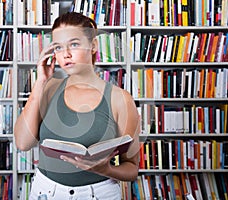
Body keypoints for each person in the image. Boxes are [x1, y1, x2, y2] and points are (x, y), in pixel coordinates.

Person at [14, 12, 140, 200]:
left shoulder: (120, 99)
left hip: (98, 194)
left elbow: (131, 169)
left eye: (74, 44)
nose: (66, 54)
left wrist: (107, 169)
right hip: (45, 192)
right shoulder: (48, 89)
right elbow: (23, 143)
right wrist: (40, 81)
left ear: (93, 46)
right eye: (58, 47)